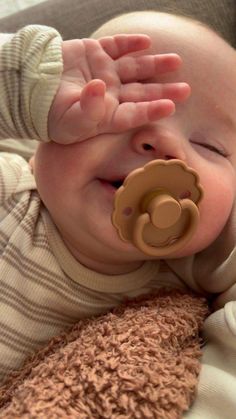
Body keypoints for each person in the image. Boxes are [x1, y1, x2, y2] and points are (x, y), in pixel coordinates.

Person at [0, 11, 236, 416]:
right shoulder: (9, 187)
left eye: (210, 145)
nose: (161, 141)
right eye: (125, 105)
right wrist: (29, 85)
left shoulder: (186, 275)